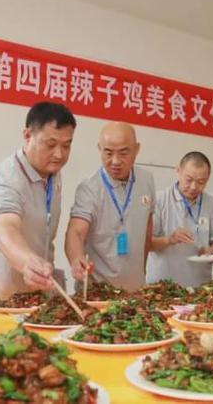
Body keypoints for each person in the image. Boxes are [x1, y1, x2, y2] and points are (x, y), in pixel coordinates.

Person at [0, 102, 76, 303]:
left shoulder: (53, 175)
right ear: (28, 136)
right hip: (2, 299)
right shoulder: (6, 178)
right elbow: (5, 230)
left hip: (38, 298)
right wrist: (28, 262)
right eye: (50, 144)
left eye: (66, 145)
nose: (59, 154)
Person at [65, 122, 155, 292]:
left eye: (123, 153)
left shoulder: (146, 180)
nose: (115, 161)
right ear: (99, 148)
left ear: (136, 149)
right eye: (108, 152)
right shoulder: (89, 188)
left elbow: (147, 227)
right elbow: (76, 231)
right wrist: (76, 258)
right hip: (97, 292)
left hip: (135, 291)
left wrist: (142, 270)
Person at [147, 152, 213, 287]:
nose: (194, 187)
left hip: (200, 286)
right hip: (163, 286)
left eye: (201, 182)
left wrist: (212, 251)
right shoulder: (158, 201)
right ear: (178, 171)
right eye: (189, 180)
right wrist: (169, 239)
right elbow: (147, 244)